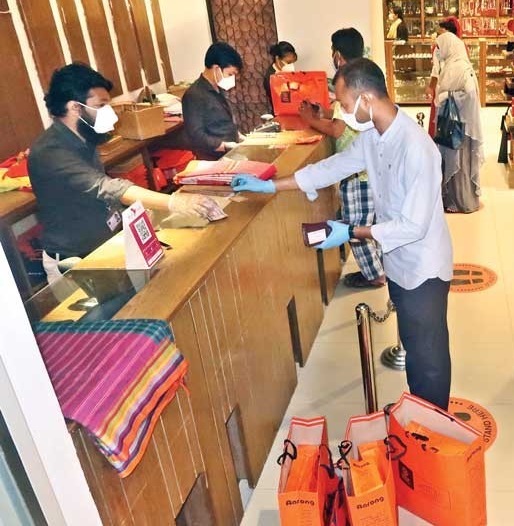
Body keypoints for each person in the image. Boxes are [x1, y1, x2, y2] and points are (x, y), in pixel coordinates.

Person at [229, 59, 454, 410]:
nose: (343, 111)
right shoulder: (372, 137)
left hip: (424, 267)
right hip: (396, 261)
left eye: (346, 104)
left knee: (430, 360)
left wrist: (350, 231)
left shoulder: (416, 147)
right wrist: (272, 185)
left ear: (366, 98)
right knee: (414, 348)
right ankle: (422, 422)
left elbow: (413, 227)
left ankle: (436, 430)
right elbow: (332, 167)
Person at [29, 64, 217, 283]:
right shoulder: (50, 151)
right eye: (101, 105)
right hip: (74, 263)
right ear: (75, 108)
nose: (110, 114)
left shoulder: (84, 137)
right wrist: (175, 202)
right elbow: (107, 187)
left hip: (102, 248)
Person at [297, 28, 386, 289]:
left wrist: (310, 120)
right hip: (371, 170)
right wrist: (323, 112)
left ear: (337, 54)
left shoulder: (347, 81)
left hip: (357, 175)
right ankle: (380, 267)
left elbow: (337, 129)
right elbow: (341, 116)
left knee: (356, 227)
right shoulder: (363, 74)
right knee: (371, 223)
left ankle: (375, 275)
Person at [433, 30, 483, 214]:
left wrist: (449, 96)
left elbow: (469, 93)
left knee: (458, 162)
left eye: (440, 47)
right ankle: (454, 199)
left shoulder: (460, 67)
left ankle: (461, 201)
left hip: (459, 124)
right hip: (454, 121)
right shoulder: (451, 65)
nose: (438, 51)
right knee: (453, 159)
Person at [182, 42, 243, 160]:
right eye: (230, 74)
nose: (232, 79)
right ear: (216, 69)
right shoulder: (194, 95)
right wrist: (224, 146)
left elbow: (223, 122)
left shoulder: (218, 88)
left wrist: (239, 136)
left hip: (229, 153)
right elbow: (196, 136)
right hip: (213, 158)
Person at [427, 18, 463, 137]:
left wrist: (430, 87)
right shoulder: (461, 46)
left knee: (442, 118)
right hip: (459, 92)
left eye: (441, 33)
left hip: (443, 90)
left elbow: (436, 72)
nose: (439, 37)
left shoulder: (438, 49)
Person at [264, 41, 298, 111]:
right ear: (277, 59)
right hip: (281, 111)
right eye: (288, 62)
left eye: (292, 63)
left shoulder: (287, 72)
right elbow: (279, 98)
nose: (291, 65)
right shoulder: (270, 77)